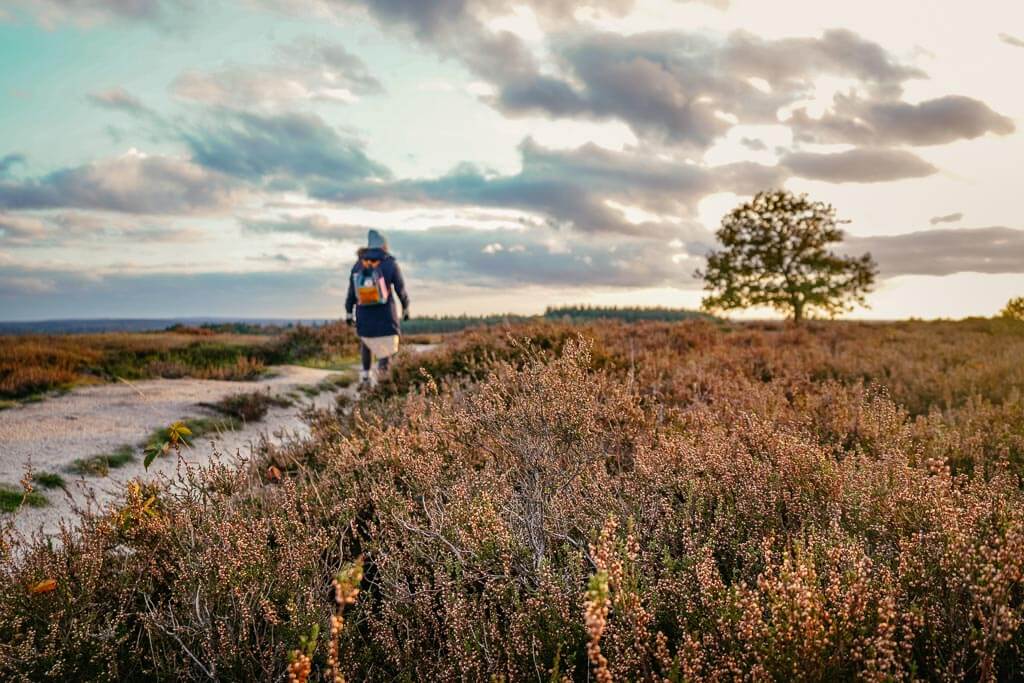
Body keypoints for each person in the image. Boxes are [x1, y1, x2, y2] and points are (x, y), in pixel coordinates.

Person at [345, 229, 410, 387]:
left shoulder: (358, 264)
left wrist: (348, 312)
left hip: (364, 314)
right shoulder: (390, 263)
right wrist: (406, 307)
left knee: (366, 343)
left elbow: (352, 291)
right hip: (386, 315)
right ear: (383, 245)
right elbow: (400, 289)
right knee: (386, 349)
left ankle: (366, 377)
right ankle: (383, 381)